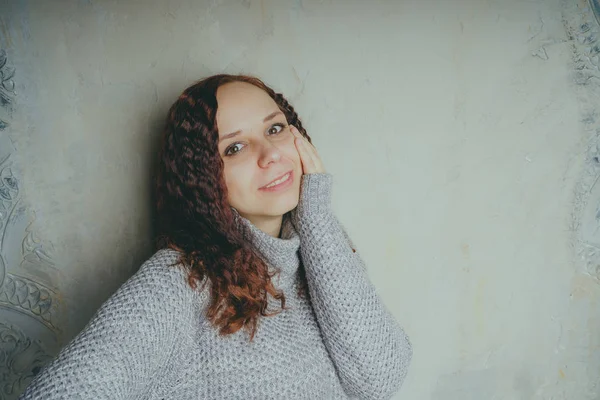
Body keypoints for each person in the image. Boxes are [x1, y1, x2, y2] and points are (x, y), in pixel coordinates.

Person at [18, 74, 413, 399]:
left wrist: (317, 217)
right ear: (204, 177)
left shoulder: (318, 245)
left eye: (275, 128)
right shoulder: (179, 280)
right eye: (235, 147)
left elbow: (380, 379)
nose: (270, 153)